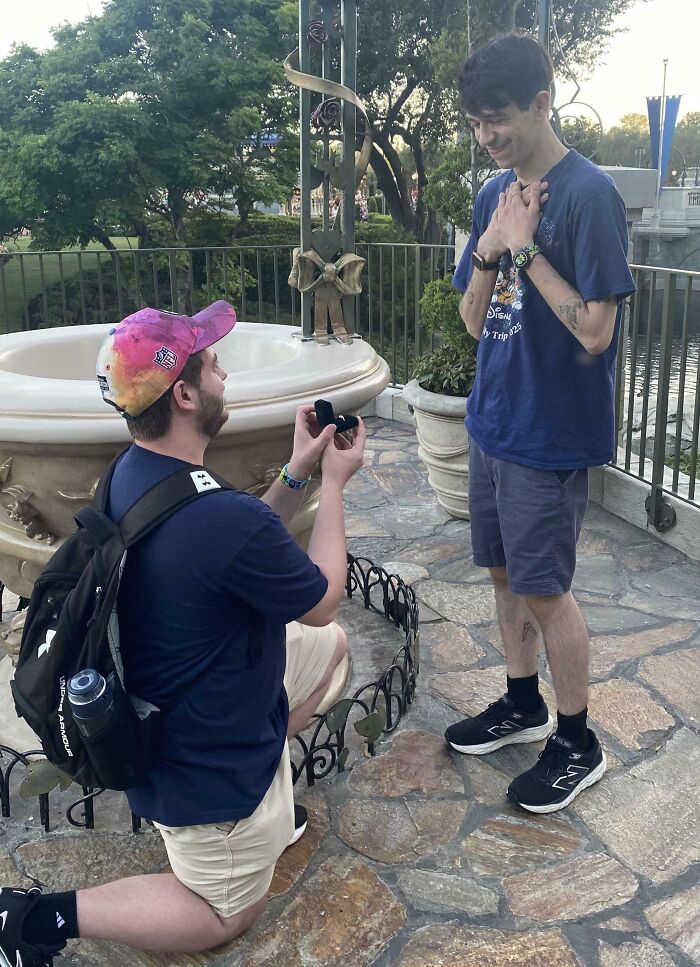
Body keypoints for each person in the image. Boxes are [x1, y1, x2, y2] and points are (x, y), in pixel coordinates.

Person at [1, 300, 365, 966]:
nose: (225, 372)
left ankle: (264, 802)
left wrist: (298, 470)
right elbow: (322, 600)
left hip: (174, 694)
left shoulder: (136, 472)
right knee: (223, 913)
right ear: (187, 395)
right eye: (214, 363)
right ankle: (33, 917)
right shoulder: (220, 517)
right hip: (196, 755)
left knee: (330, 655)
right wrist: (335, 484)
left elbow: (236, 539)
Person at [444, 34, 635, 813]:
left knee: (547, 589)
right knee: (503, 573)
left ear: (541, 102)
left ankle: (578, 739)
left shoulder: (589, 195)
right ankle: (522, 702)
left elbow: (595, 332)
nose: (487, 134)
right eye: (475, 122)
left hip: (549, 433)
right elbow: (471, 321)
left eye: (497, 117)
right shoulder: (494, 193)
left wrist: (525, 250)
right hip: (493, 421)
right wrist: (491, 249)